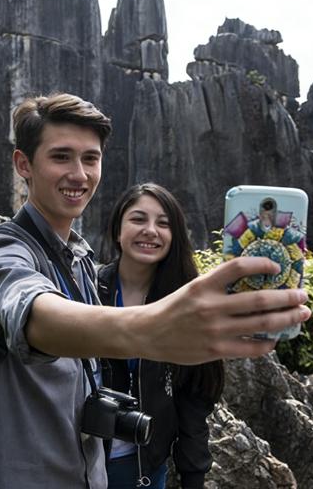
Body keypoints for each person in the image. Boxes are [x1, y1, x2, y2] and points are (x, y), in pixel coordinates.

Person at [0, 92, 311, 488]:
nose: (79, 173)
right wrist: (152, 329)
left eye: (90, 158)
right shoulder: (1, 251)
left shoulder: (79, 263)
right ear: (24, 164)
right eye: (61, 157)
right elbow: (34, 315)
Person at [98, 183, 223, 489]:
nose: (150, 231)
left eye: (163, 223)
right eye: (138, 219)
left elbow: (195, 400)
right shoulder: (87, 289)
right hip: (76, 460)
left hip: (143, 468)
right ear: (118, 229)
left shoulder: (186, 307)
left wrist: (194, 477)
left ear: (174, 235)